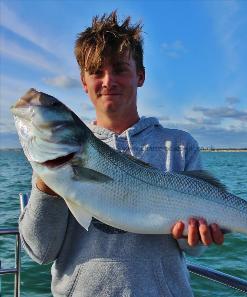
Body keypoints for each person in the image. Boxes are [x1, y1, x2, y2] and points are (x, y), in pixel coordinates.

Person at [19, 11, 224, 297]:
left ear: (140, 76)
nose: (108, 80)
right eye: (96, 72)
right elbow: (40, 251)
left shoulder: (178, 146)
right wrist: (47, 186)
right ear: (83, 81)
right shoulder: (58, 151)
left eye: (119, 68)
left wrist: (196, 237)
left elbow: (195, 248)